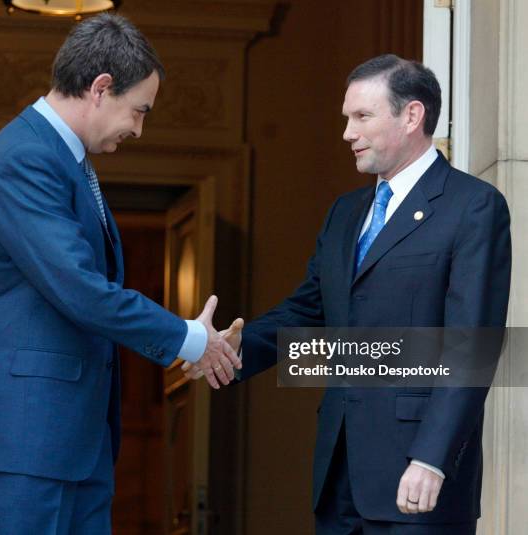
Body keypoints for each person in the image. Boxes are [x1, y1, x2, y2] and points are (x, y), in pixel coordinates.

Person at [0, 13, 241, 534]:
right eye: (138, 110)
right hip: (17, 444)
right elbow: (80, 289)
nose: (139, 129)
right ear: (101, 88)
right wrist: (188, 338)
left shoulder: (62, 159)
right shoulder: (25, 158)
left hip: (69, 443)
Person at [185, 54, 511, 534]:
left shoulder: (473, 207)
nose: (347, 133)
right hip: (339, 476)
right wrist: (233, 349)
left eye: (362, 117)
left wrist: (432, 458)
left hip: (417, 482)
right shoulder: (345, 212)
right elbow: (308, 308)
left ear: (412, 115)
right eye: (347, 118)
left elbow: (472, 345)